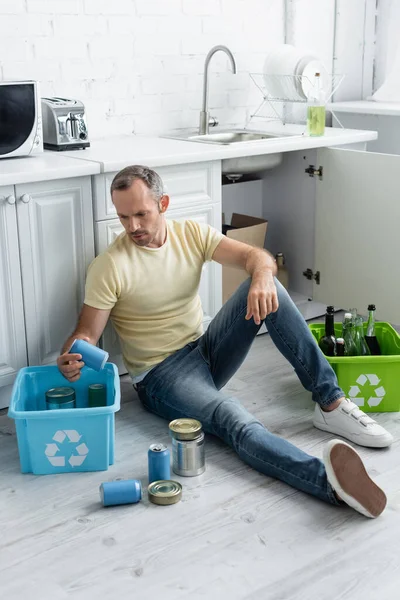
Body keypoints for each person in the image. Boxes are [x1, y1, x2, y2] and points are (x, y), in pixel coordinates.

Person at [57, 165, 392, 519]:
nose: (133, 227)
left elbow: (256, 257)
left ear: (164, 204)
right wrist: (70, 356)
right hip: (161, 377)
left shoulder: (190, 234)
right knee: (235, 418)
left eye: (142, 214)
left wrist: (262, 276)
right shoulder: (110, 265)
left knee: (267, 286)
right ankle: (329, 484)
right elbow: (85, 335)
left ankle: (331, 403)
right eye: (124, 217)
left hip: (204, 349)